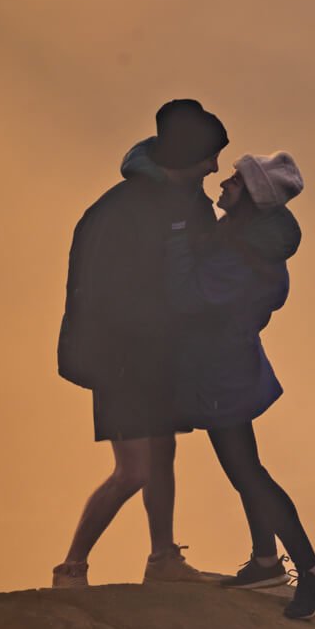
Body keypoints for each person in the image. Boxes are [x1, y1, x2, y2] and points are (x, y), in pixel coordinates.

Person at [54, 98, 228, 587]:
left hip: (162, 357)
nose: (216, 166)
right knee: (133, 471)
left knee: (165, 456)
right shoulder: (117, 210)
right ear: (183, 156)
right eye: (208, 156)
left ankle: (163, 560)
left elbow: (203, 264)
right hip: (122, 360)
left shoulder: (192, 203)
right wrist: (113, 357)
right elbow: (97, 292)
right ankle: (71, 568)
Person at [167, 150, 315, 624]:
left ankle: (312, 569)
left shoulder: (240, 258)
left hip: (223, 371)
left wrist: (178, 240)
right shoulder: (246, 244)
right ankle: (265, 561)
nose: (223, 184)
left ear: (251, 200)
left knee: (247, 474)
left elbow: (189, 295)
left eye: (235, 182)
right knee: (247, 467)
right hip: (234, 365)